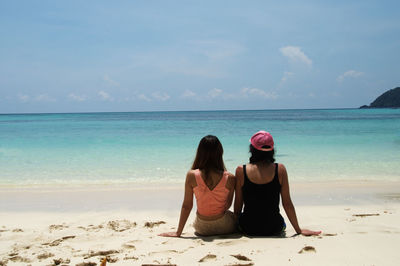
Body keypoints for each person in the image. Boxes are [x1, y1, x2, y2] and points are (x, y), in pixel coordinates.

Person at [234, 130, 321, 236]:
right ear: (272, 150)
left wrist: (236, 227)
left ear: (252, 149)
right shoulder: (280, 169)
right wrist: (298, 230)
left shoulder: (240, 171)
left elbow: (238, 205)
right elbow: (287, 204)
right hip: (275, 227)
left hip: (248, 228)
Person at [160, 135, 237, 237]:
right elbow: (227, 205)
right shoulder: (230, 178)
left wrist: (178, 232)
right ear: (220, 152)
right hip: (224, 226)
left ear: (200, 153)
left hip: (202, 228)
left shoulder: (192, 175)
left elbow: (187, 206)